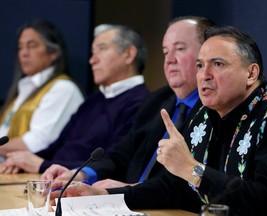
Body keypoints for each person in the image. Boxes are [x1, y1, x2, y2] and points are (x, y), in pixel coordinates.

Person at [42, 15, 214, 203]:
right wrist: (80, 174)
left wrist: (125, 191)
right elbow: (121, 155)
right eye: (165, 52)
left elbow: (184, 185)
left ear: (207, 54)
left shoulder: (215, 109)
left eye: (180, 49)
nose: (169, 60)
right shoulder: (156, 100)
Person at [154, 26, 267, 215]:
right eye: (200, 65)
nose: (204, 75)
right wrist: (107, 194)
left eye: (218, 64)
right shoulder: (204, 115)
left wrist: (193, 170)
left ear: (251, 74)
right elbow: (174, 186)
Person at [0, 24, 150, 174]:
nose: (92, 60)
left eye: (102, 49)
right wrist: (22, 161)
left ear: (129, 54)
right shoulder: (93, 100)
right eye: (92, 53)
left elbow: (112, 163)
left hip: (80, 188)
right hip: (52, 177)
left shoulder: (142, 103)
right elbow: (57, 147)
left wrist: (42, 165)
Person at [0, 20, 84, 162]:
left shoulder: (62, 89)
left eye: (32, 46)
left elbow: (38, 142)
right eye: (20, 47)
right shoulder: (22, 90)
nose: (24, 53)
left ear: (54, 53)